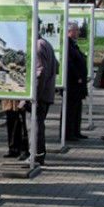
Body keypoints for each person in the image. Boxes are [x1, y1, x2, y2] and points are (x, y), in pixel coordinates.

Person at [32, 35, 58, 164]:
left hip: (40, 94)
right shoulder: (45, 43)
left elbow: (40, 72)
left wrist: (34, 96)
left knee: (35, 125)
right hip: (45, 93)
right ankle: (37, 154)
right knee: (37, 124)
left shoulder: (37, 45)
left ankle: (36, 155)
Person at [65, 22, 88, 141]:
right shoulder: (67, 45)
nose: (79, 32)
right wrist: (77, 76)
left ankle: (76, 131)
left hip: (78, 84)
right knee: (71, 109)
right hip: (73, 83)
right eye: (77, 30)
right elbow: (69, 63)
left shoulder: (74, 44)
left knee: (77, 108)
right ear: (71, 31)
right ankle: (68, 133)